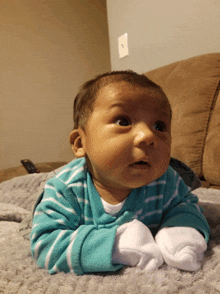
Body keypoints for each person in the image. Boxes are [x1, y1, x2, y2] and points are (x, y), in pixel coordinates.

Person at [30, 70, 210, 275]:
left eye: (159, 126)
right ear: (81, 143)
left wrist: (180, 232)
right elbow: (46, 245)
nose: (148, 135)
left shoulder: (166, 180)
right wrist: (117, 246)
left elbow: (186, 207)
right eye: (123, 122)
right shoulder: (65, 189)